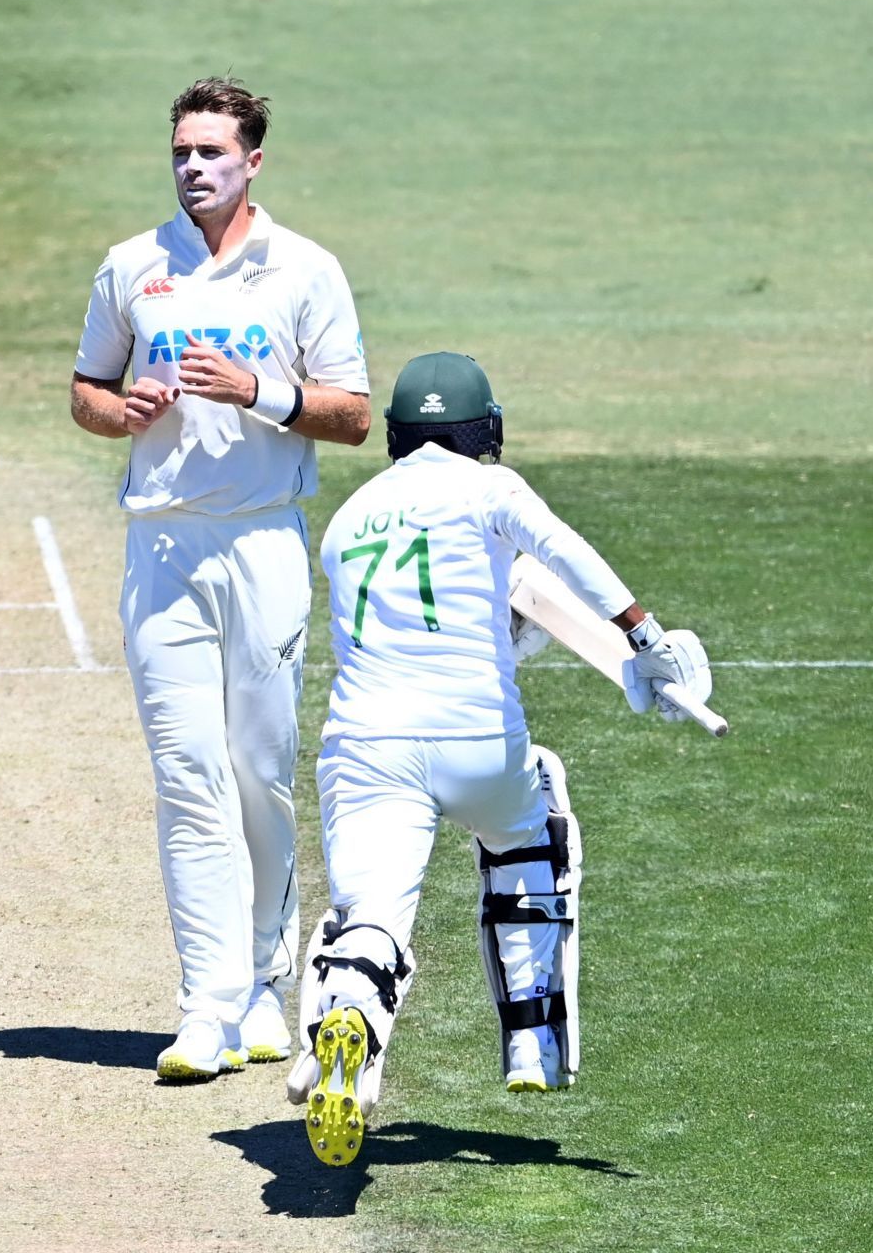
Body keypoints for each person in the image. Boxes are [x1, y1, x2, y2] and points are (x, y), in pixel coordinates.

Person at [285, 352, 713, 1166]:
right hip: (478, 740)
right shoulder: (488, 488)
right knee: (530, 822)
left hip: (366, 745)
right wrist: (643, 638)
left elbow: (423, 617)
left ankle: (349, 1012)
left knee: (370, 914)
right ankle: (529, 1043)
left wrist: (512, 625)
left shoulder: (349, 522)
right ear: (486, 429)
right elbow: (561, 551)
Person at [69, 77, 372, 1080]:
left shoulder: (305, 270)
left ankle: (262, 985)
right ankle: (203, 1007)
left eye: (212, 152)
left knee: (259, 773)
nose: (194, 166)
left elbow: (353, 414)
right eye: (181, 152)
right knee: (186, 776)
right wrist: (123, 413)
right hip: (163, 548)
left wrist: (256, 390)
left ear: (253, 160)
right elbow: (87, 390)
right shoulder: (132, 266)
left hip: (264, 540)